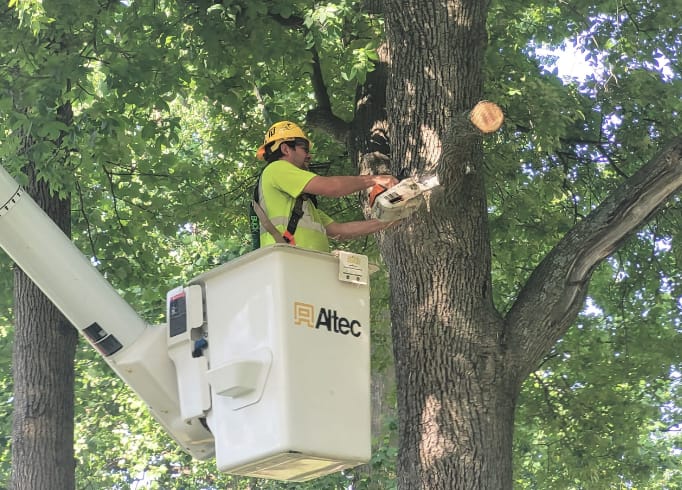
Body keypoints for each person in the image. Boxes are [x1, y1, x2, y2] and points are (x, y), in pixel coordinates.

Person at [251, 120, 399, 253]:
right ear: (285, 149)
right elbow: (332, 187)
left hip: (301, 266)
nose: (309, 156)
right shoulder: (277, 168)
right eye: (304, 149)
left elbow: (340, 230)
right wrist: (375, 179)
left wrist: (388, 220)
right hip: (289, 263)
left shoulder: (302, 207)